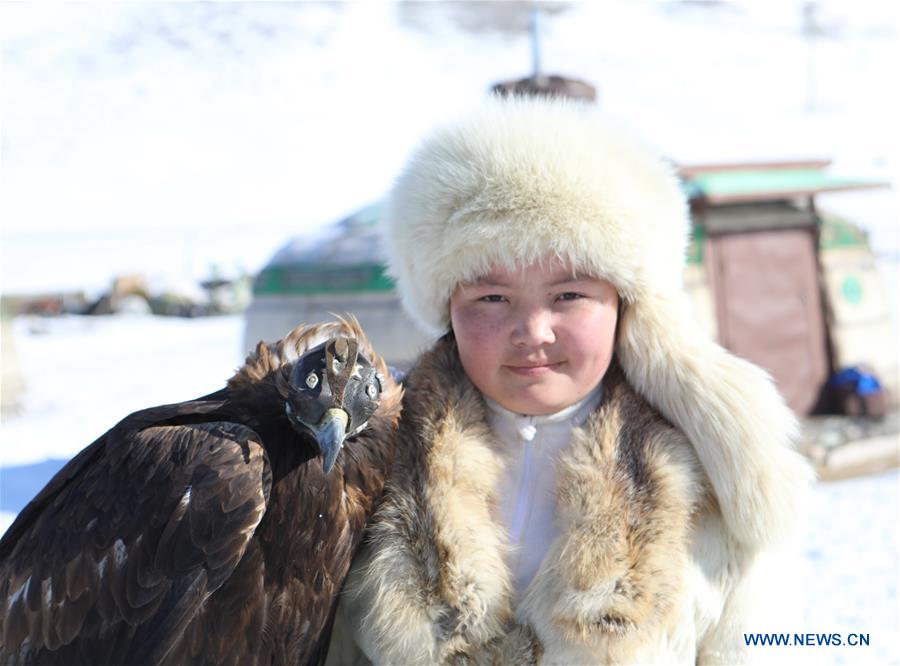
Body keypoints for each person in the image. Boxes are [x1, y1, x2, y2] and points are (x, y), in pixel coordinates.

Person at [326, 95, 813, 665]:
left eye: (569, 295)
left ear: (626, 305)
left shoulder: (716, 482)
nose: (532, 330)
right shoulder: (365, 472)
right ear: (447, 307)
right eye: (492, 297)